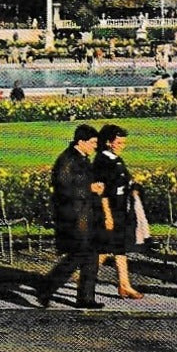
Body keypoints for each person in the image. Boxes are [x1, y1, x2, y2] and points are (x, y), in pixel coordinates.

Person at [35, 124, 105, 309]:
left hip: (85, 215)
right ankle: (46, 287)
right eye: (92, 143)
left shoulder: (81, 158)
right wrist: (89, 189)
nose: (95, 146)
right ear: (81, 142)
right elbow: (63, 188)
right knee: (78, 255)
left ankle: (85, 298)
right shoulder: (67, 160)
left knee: (90, 256)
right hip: (73, 217)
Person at [91, 124, 144, 299]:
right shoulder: (101, 162)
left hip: (121, 209)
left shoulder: (116, 159)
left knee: (119, 249)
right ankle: (83, 279)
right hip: (109, 210)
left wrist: (134, 188)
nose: (122, 145)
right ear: (108, 142)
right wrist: (107, 216)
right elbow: (102, 191)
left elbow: (124, 180)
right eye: (119, 142)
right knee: (104, 249)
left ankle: (124, 285)